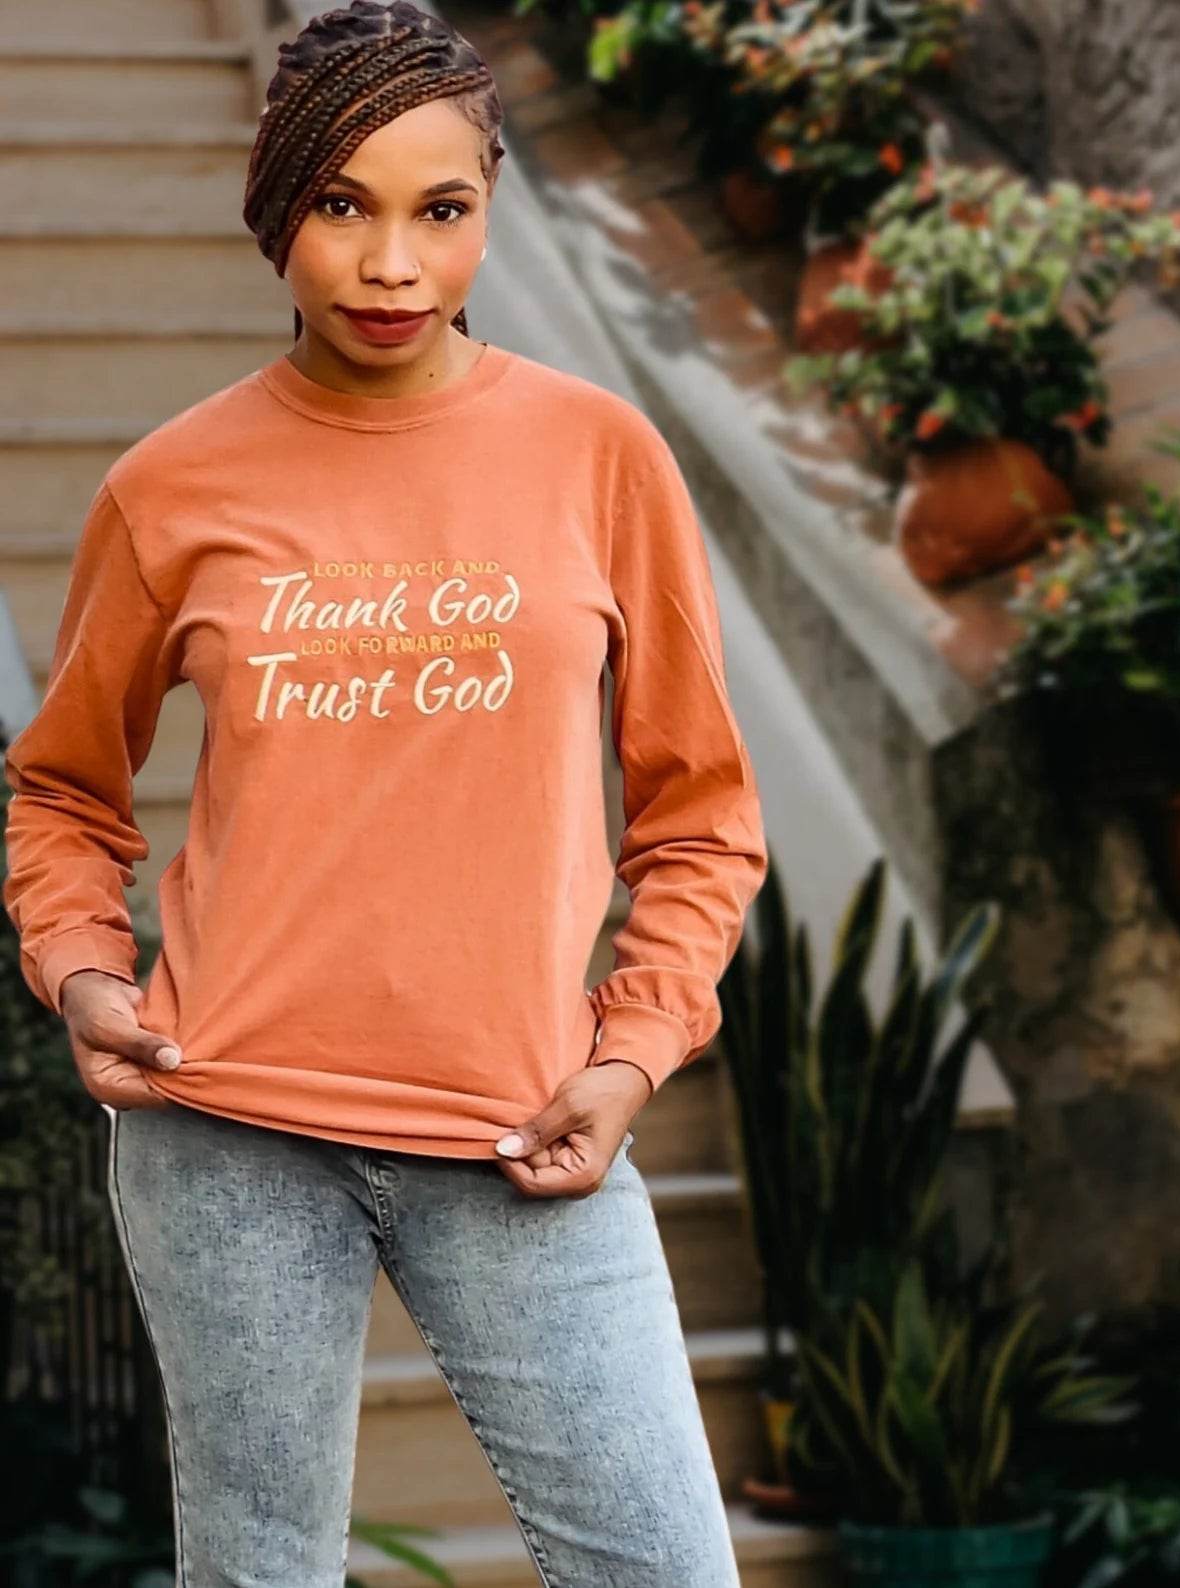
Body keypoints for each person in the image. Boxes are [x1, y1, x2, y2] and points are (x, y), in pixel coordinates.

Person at [0, 2, 766, 1583]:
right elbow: (63, 790)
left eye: (443, 211)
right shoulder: (171, 487)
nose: (393, 265)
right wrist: (80, 968)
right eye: (344, 207)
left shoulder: (598, 458)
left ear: (489, 208)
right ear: (279, 209)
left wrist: (633, 1050)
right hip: (226, 1130)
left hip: (519, 1125)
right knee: (260, 1571)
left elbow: (700, 812)